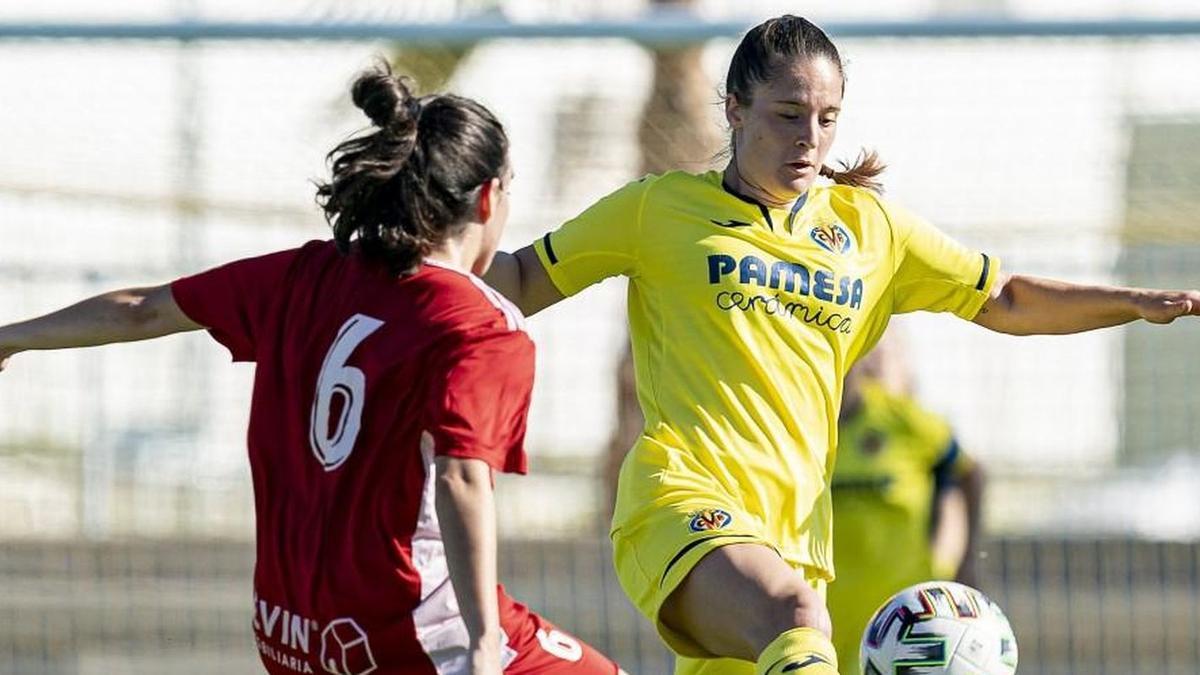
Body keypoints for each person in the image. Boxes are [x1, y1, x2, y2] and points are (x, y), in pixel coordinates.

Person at [480, 14, 1200, 675]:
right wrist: (408, 264)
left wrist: (1132, 304)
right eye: (788, 115)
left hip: (797, 538)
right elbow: (516, 279)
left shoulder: (869, 229)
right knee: (791, 613)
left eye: (827, 120)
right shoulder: (657, 209)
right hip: (680, 501)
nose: (810, 139)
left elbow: (1006, 297)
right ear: (734, 108)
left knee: (795, 617)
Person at [0, 64, 624, 675]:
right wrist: (485, 642)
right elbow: (460, 477)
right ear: (489, 198)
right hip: (408, 633)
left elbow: (141, 310)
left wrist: (11, 338)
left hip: (291, 633)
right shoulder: (480, 324)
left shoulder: (306, 274)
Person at [829, 333, 985, 672]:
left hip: (905, 617)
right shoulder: (793, 429)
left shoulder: (903, 422)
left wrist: (965, 559)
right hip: (821, 614)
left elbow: (968, 474)